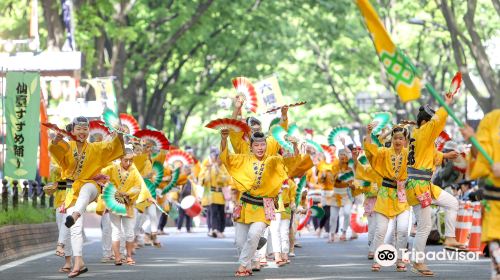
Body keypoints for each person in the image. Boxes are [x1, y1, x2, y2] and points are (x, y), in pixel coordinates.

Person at [49, 116, 124, 278]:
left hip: (91, 185)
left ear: (88, 130)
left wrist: (120, 134)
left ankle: (75, 215)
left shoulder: (96, 148)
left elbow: (113, 147)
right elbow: (56, 151)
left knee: (84, 192)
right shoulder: (68, 147)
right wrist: (56, 141)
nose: (82, 132)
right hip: (71, 191)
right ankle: (78, 263)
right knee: (75, 229)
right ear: (73, 130)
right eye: (79, 129)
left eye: (85, 129)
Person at [220, 128, 298, 277]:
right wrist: (224, 140)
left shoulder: (273, 160)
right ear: (251, 147)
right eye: (256, 145)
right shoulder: (243, 159)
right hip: (245, 204)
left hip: (265, 205)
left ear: (266, 146)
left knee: (254, 234)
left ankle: (243, 265)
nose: (260, 148)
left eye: (262, 144)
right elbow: (226, 159)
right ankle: (249, 264)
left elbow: (292, 163)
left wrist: (294, 147)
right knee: (239, 241)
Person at [405, 96, 461, 277]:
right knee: (424, 226)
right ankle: (417, 261)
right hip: (418, 186)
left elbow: (430, 154)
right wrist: (447, 103)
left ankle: (450, 238)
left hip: (424, 185)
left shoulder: (417, 134)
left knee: (452, 203)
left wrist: (445, 156)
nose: (435, 127)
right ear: (425, 123)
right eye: (431, 123)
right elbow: (438, 120)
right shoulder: (423, 132)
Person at [459, 109, 500, 280]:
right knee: (497, 257)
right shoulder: (492, 120)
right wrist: (473, 141)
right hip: (495, 203)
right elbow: (480, 159)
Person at [364, 125, 410, 272]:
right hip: (385, 194)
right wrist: (369, 133)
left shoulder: (409, 154)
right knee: (380, 230)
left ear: (405, 140)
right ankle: (378, 260)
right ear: (392, 139)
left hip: (402, 196)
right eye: (395, 138)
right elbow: (371, 150)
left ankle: (400, 260)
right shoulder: (384, 152)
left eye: (401, 138)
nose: (397, 141)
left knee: (402, 231)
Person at [101, 147, 149, 266]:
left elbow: (138, 187)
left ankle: (128, 256)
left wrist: (127, 193)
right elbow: (99, 175)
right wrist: (108, 187)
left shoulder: (134, 170)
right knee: (116, 231)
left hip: (128, 203)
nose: (128, 163)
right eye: (126, 160)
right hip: (114, 202)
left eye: (131, 160)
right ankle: (117, 256)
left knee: (129, 233)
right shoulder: (112, 168)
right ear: (120, 159)